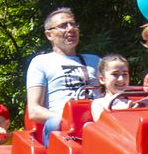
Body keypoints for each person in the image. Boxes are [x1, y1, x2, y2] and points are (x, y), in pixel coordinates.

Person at [26, 7, 101, 145]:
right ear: (49, 35)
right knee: (54, 123)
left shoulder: (95, 61)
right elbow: (34, 111)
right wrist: (68, 119)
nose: (71, 28)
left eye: (73, 24)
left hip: (98, 123)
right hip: (64, 128)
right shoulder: (41, 62)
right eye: (63, 26)